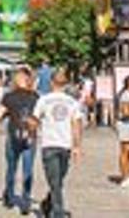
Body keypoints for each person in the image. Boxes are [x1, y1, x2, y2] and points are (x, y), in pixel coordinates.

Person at [35, 67, 85, 218]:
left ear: (51, 82)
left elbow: (35, 119)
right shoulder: (72, 102)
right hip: (59, 144)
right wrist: (77, 146)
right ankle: (58, 213)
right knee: (56, 181)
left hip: (54, 144)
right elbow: (77, 124)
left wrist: (30, 131)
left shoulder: (44, 100)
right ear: (66, 83)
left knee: (57, 181)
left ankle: (47, 203)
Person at [0, 67, 40, 215]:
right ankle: (26, 200)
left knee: (11, 168)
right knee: (28, 170)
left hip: (13, 135)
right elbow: (40, 117)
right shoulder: (35, 97)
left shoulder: (9, 96)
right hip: (30, 137)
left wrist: (7, 114)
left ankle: (9, 197)